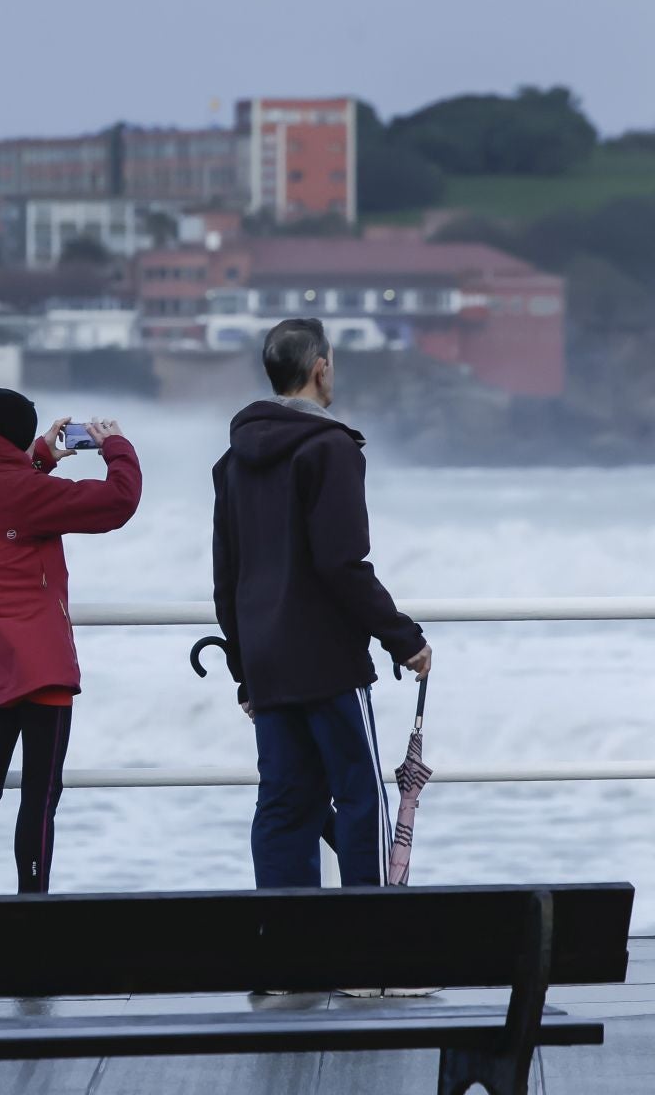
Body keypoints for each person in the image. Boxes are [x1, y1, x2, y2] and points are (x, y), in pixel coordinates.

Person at [211, 318, 432, 891]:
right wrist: (403, 638)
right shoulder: (330, 449)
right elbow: (341, 564)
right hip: (327, 661)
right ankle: (371, 956)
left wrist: (243, 670)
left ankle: (288, 958)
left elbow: (226, 579)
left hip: (265, 663)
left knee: (284, 803)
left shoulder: (233, 462)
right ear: (320, 367)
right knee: (359, 795)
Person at [0, 389, 142, 895]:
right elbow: (117, 502)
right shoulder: (20, 493)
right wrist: (117, 447)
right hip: (40, 668)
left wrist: (40, 458)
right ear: (16, 434)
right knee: (41, 797)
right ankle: (33, 910)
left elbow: (5, 499)